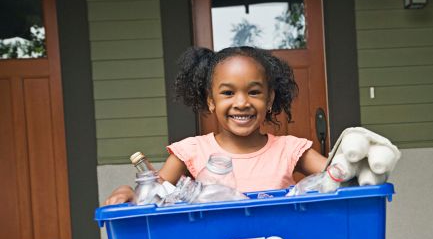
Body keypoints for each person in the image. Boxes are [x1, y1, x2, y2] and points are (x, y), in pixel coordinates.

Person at [104, 46, 327, 205]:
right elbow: (152, 195)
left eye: (254, 92)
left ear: (269, 100)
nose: (241, 103)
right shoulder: (191, 151)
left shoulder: (290, 150)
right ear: (211, 101)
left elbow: (340, 176)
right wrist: (127, 192)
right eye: (228, 93)